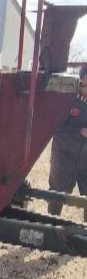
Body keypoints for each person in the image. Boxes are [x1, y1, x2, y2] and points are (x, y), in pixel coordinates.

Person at [48, 64, 87, 221]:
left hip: (85, 158)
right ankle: (50, 226)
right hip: (64, 154)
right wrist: (78, 131)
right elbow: (53, 125)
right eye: (84, 85)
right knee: (56, 195)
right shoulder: (68, 99)